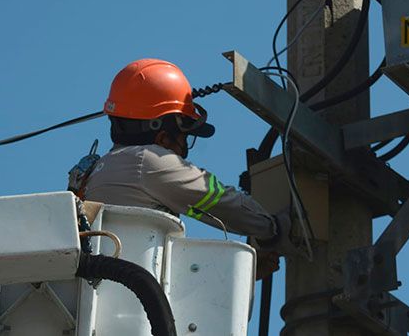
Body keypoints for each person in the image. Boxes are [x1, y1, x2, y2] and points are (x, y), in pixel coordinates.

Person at [83, 58, 295, 277]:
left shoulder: (96, 171)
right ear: (164, 137)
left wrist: (243, 273)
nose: (184, 148)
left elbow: (167, 271)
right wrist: (274, 230)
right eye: (185, 138)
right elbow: (220, 200)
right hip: (131, 292)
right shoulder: (149, 161)